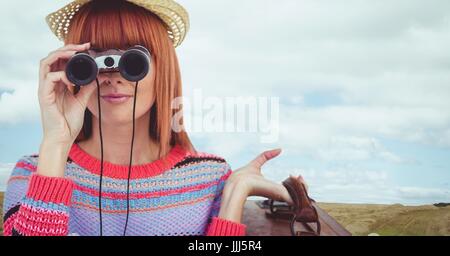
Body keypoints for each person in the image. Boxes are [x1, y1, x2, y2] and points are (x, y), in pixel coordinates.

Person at [2, 0, 295, 236]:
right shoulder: (33, 173)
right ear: (71, 68)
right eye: (92, 59)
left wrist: (233, 195)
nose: (112, 77)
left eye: (133, 60)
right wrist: (55, 144)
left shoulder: (209, 177)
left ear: (163, 67)